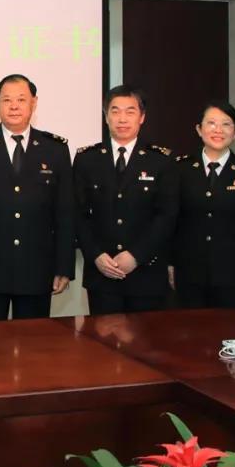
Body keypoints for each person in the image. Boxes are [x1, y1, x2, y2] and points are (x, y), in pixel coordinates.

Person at [0, 74, 74, 320]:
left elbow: (65, 213)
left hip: (38, 270)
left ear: (34, 103)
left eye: (21, 99)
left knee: (33, 341)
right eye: (6, 100)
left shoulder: (55, 149)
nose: (14, 106)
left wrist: (64, 266)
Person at [73, 85, 177, 315]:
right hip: (102, 274)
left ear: (142, 117)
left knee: (146, 337)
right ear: (106, 116)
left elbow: (167, 216)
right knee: (101, 337)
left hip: (146, 274)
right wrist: (96, 255)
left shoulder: (161, 160)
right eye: (115, 111)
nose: (122, 119)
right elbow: (77, 214)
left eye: (130, 112)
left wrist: (137, 255)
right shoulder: (86, 159)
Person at [169, 101, 235, 309]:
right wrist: (169, 263)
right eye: (211, 123)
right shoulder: (180, 169)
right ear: (199, 129)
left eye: (226, 124)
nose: (218, 130)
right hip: (189, 273)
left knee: (230, 328)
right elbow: (171, 221)